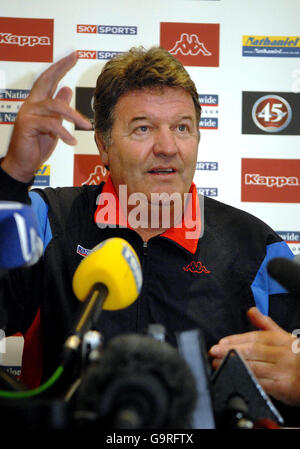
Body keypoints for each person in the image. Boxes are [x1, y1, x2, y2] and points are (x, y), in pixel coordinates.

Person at [0, 47, 300, 418]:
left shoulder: (257, 247)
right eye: (143, 128)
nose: (168, 147)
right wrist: (13, 174)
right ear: (104, 145)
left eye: (182, 127)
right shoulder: (48, 220)